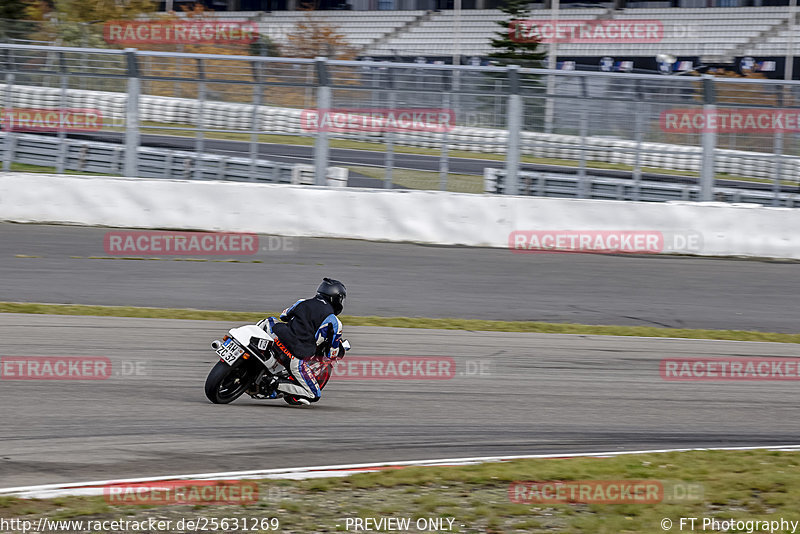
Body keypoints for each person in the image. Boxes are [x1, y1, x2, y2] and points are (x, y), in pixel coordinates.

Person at [259, 277, 348, 405]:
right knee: (314, 394)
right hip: (294, 353)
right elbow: (331, 353)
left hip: (277, 337)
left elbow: (284, 316)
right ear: (336, 299)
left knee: (269, 321)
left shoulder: (302, 302)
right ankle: (275, 383)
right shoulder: (334, 322)